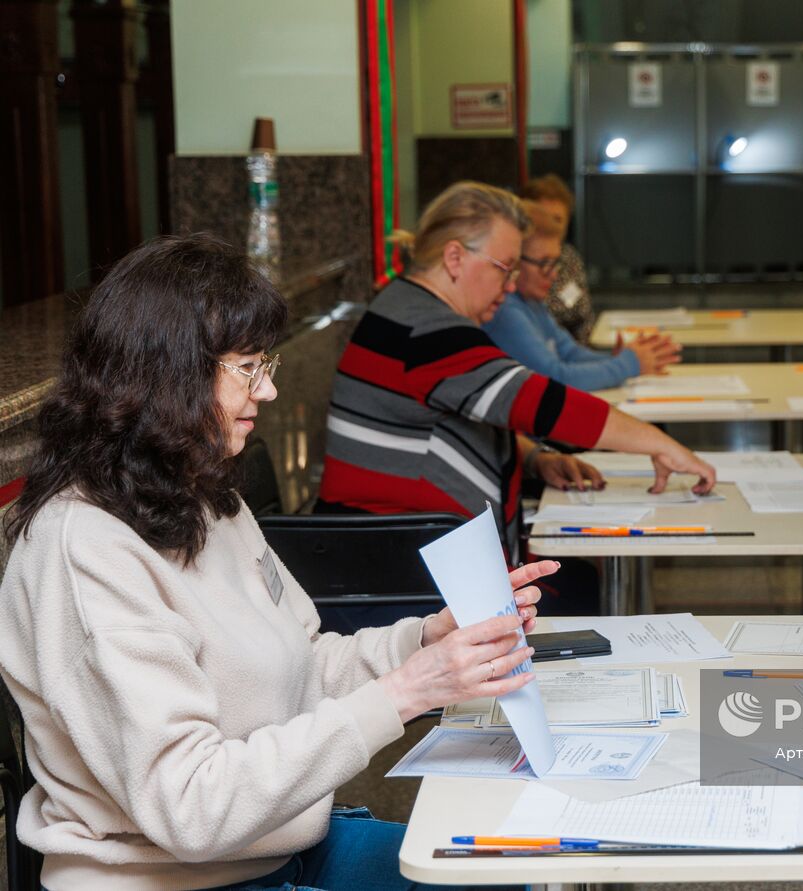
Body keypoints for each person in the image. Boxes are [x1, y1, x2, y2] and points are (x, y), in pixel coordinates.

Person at [0, 234, 553, 891]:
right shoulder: (84, 548)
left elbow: (302, 661)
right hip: (170, 878)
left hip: (273, 847)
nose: (268, 389)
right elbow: (192, 806)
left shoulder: (201, 493)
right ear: (167, 373)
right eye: (248, 366)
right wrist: (406, 692)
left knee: (510, 870)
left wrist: (426, 641)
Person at [317, 181, 715, 566]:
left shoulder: (407, 307)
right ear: (454, 258)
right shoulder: (429, 330)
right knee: (580, 594)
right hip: (399, 564)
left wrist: (536, 459)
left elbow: (457, 419)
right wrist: (661, 444)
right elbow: (540, 403)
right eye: (503, 269)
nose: (510, 287)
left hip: (407, 548)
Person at [483, 200, 680, 390]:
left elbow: (570, 353)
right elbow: (556, 377)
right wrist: (629, 363)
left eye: (556, 262)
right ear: (515, 261)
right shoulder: (505, 309)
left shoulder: (531, 302)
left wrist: (621, 359)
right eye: (544, 263)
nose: (553, 273)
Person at [518, 173, 595, 341]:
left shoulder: (571, 257)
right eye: (544, 218)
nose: (551, 226)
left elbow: (586, 316)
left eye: (558, 219)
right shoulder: (518, 270)